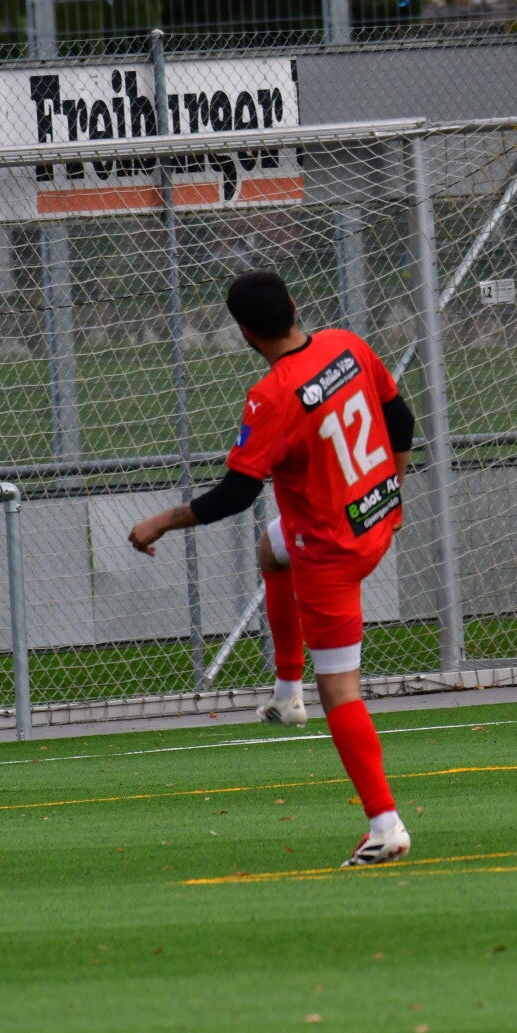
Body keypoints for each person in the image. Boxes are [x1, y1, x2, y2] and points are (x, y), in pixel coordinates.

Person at [128, 270, 417, 866]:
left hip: (331, 553)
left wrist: (161, 520)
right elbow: (403, 422)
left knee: (340, 690)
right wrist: (393, 491)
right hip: (375, 514)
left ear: (243, 333)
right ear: (293, 304)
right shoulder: (347, 344)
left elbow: (236, 494)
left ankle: (385, 824)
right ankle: (287, 696)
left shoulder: (272, 395)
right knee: (270, 549)